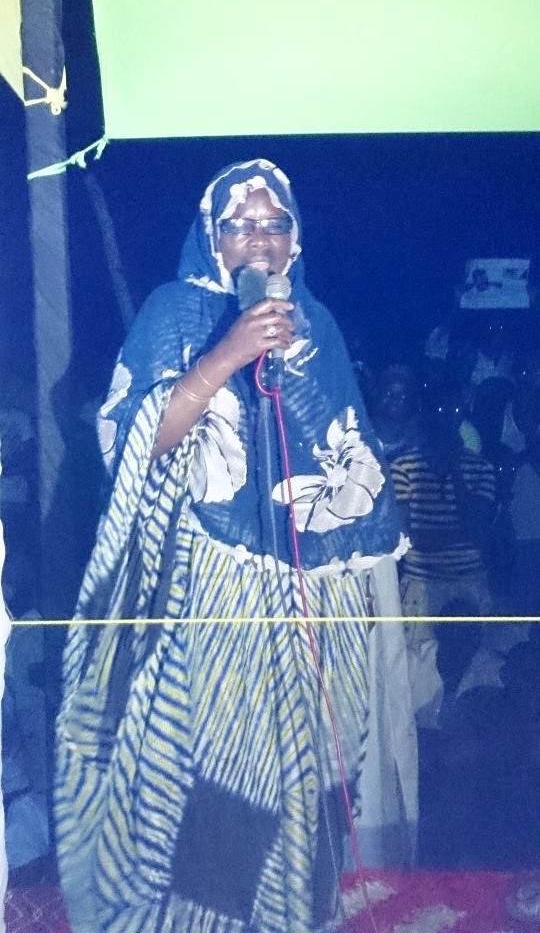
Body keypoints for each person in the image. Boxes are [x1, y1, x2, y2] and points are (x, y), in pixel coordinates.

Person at [54, 159, 404, 933]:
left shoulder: (321, 322)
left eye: (273, 224)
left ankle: (297, 913)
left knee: (313, 768)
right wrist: (226, 356)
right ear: (211, 237)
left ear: (295, 238)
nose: (258, 240)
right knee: (225, 771)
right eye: (240, 225)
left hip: (320, 592)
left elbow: (350, 454)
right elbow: (135, 442)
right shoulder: (176, 311)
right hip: (219, 587)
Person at [391, 381, 496, 728]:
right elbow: (410, 537)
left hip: (467, 587)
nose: (446, 420)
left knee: (471, 677)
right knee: (419, 681)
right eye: (438, 411)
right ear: (425, 416)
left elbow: (477, 532)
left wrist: (454, 472)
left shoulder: (479, 469)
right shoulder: (403, 468)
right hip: (421, 589)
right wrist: (458, 534)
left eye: (453, 413)